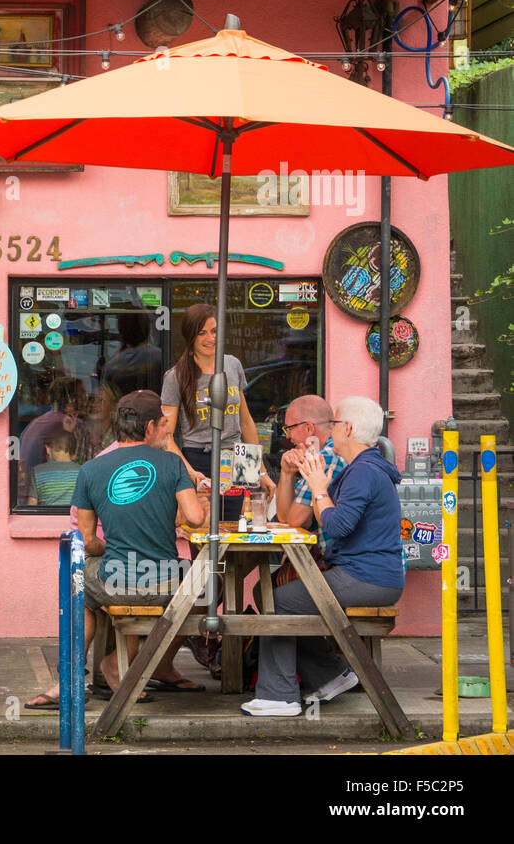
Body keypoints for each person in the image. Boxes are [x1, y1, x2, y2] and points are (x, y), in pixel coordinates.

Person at [25, 391, 206, 709]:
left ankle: (67, 680)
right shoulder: (173, 463)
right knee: (205, 583)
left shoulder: (91, 470)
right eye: (163, 425)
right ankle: (123, 662)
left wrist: (109, 549)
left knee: (78, 584)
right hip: (166, 584)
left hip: (115, 581)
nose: (165, 431)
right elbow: (194, 517)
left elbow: (87, 539)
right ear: (149, 427)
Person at [242, 396, 405, 717]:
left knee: (280, 600)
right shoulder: (363, 467)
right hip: (368, 574)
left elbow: (339, 526)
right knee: (288, 596)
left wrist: (318, 489)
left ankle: (280, 697)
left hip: (368, 578)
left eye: (335, 423)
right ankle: (330, 675)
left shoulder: (363, 472)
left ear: (348, 428)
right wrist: (316, 487)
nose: (329, 429)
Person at [160, 303, 274, 522]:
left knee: (240, 530)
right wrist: (189, 472)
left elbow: (246, 422)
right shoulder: (175, 376)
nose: (211, 338)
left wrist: (262, 472)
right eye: (202, 332)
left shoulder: (232, 365)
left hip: (239, 458)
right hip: (198, 459)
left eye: (214, 331)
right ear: (190, 336)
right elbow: (166, 437)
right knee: (202, 531)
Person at [274, 394, 348, 537]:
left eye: (289, 428)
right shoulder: (319, 453)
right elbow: (284, 518)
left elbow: (298, 521)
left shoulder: (326, 456)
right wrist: (287, 473)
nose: (288, 436)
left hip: (330, 555)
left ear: (309, 428)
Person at [19, 376, 96, 498]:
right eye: (82, 395)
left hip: (30, 494)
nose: (85, 400)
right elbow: (87, 469)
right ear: (71, 399)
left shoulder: (34, 424)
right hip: (59, 496)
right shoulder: (76, 426)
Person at [26, 433, 82, 507]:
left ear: (47, 449)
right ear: (73, 452)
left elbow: (32, 503)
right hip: (73, 517)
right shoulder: (82, 471)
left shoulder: (37, 471)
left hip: (46, 517)